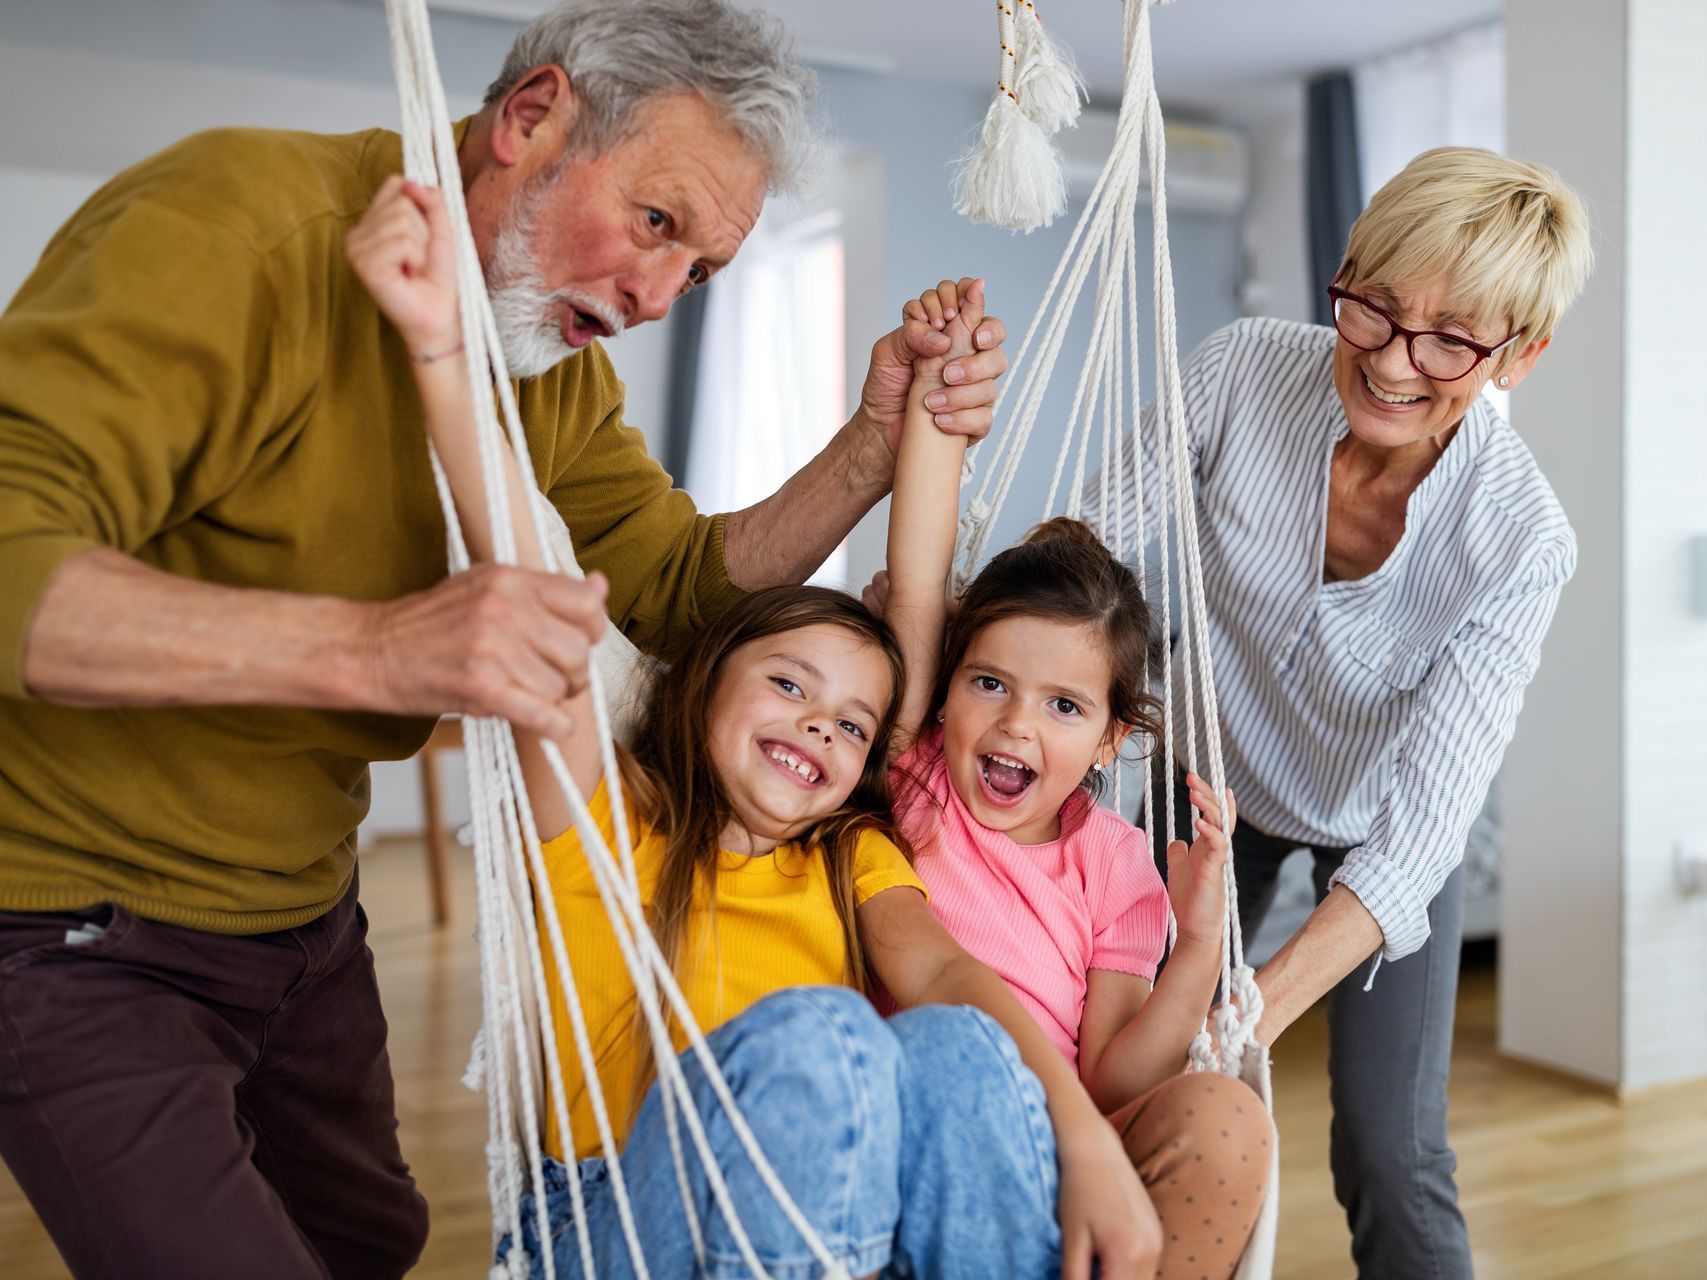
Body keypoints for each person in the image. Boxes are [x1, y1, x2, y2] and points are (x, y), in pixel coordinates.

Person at [0, 2, 1009, 1276]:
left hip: (298, 911)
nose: (657, 297)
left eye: (698, 270)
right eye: (656, 223)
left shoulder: (544, 366)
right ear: (530, 119)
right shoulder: (236, 227)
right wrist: (376, 654)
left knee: (368, 1242)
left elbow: (682, 587)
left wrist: (873, 445)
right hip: (69, 916)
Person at [352, 183, 1162, 1279]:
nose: (818, 728)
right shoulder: (606, 815)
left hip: (815, 1221)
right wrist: (447, 355)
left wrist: (1080, 1136)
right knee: (823, 1036)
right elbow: (524, 558)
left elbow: (952, 981)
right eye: (788, 682)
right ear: (704, 679)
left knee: (955, 1046)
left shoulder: (855, 853)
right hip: (609, 1218)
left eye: (850, 722)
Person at [1094, 146, 1594, 1278]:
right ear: (1347, 271)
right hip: (1210, 774)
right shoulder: (1240, 370)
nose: (1392, 360)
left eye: (1451, 338)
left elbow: (1421, 829)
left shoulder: (1520, 538)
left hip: (1381, 831)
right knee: (1132, 1068)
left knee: (1390, 1143)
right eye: (1374, 304)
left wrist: (1248, 1011)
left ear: (1521, 355)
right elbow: (1089, 556)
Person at [877, 278, 1272, 1280]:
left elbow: (1111, 1071)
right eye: (990, 682)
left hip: (1071, 1145)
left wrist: (1194, 949)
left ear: (1108, 739)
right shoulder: (918, 773)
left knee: (1227, 1115)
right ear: (948, 682)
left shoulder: (1114, 860)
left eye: (1063, 705)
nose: (1015, 721)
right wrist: (939, 385)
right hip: (936, 1129)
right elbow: (921, 580)